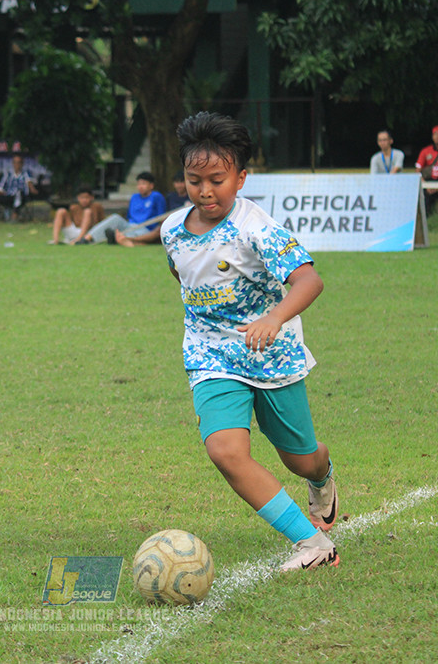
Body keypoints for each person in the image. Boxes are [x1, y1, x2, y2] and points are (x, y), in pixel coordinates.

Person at [160, 111, 340, 572]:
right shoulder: (171, 231)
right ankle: (312, 543)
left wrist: (274, 317)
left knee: (301, 459)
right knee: (225, 450)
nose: (205, 190)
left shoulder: (256, 227)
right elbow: (185, 278)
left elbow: (309, 282)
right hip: (210, 354)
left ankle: (323, 477)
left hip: (271, 355)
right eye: (194, 179)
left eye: (217, 179)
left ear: (241, 177)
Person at [81, 171, 166, 244]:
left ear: (151, 185)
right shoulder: (134, 197)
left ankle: (116, 237)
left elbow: (161, 217)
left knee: (127, 235)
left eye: (143, 184)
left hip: (145, 229)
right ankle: (87, 238)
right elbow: (129, 216)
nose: (140, 186)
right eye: (139, 184)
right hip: (130, 225)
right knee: (115, 217)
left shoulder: (156, 196)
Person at [0, 153, 39, 221]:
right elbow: (0, 190)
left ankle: (14, 216)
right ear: (13, 163)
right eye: (15, 162)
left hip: (22, 197)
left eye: (19, 162)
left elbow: (30, 183)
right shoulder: (7, 175)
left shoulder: (26, 173)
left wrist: (33, 189)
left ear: (22, 164)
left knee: (19, 194)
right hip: (9, 197)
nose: (17, 164)